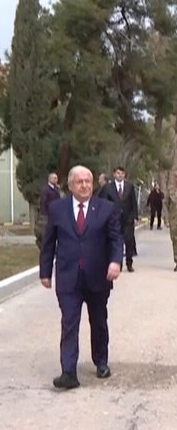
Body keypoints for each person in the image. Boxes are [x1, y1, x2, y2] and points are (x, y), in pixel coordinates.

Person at [39, 165, 123, 390]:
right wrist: (45, 272)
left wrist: (115, 262)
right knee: (69, 323)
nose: (84, 185)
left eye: (88, 181)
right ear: (70, 185)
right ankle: (68, 372)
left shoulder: (106, 208)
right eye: (79, 181)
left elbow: (116, 239)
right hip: (68, 278)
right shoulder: (57, 209)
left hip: (98, 277)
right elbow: (49, 243)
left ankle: (101, 361)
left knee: (99, 321)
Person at [99, 166, 139, 272]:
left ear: (124, 175)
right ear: (114, 174)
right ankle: (118, 263)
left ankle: (129, 263)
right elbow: (103, 202)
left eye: (122, 173)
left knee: (129, 241)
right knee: (116, 242)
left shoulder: (129, 187)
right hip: (114, 219)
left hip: (127, 219)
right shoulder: (108, 188)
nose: (120, 175)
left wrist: (135, 216)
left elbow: (133, 202)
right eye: (118, 173)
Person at [36, 173, 61, 249]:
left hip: (56, 213)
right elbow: (43, 202)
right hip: (48, 214)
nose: (56, 180)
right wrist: (45, 214)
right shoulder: (46, 190)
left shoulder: (57, 189)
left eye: (57, 178)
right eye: (55, 178)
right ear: (50, 179)